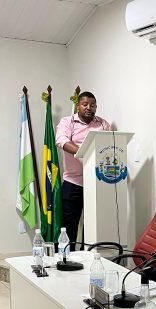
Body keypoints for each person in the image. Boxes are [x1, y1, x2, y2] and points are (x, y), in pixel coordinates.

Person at [55, 91, 112, 244]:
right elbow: (61, 141)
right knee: (69, 227)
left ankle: (88, 255)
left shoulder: (103, 124)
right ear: (78, 106)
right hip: (73, 183)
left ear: (96, 107)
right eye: (85, 104)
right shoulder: (67, 122)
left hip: (97, 183)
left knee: (93, 226)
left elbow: (110, 145)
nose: (88, 108)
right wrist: (85, 152)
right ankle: (66, 256)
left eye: (92, 105)